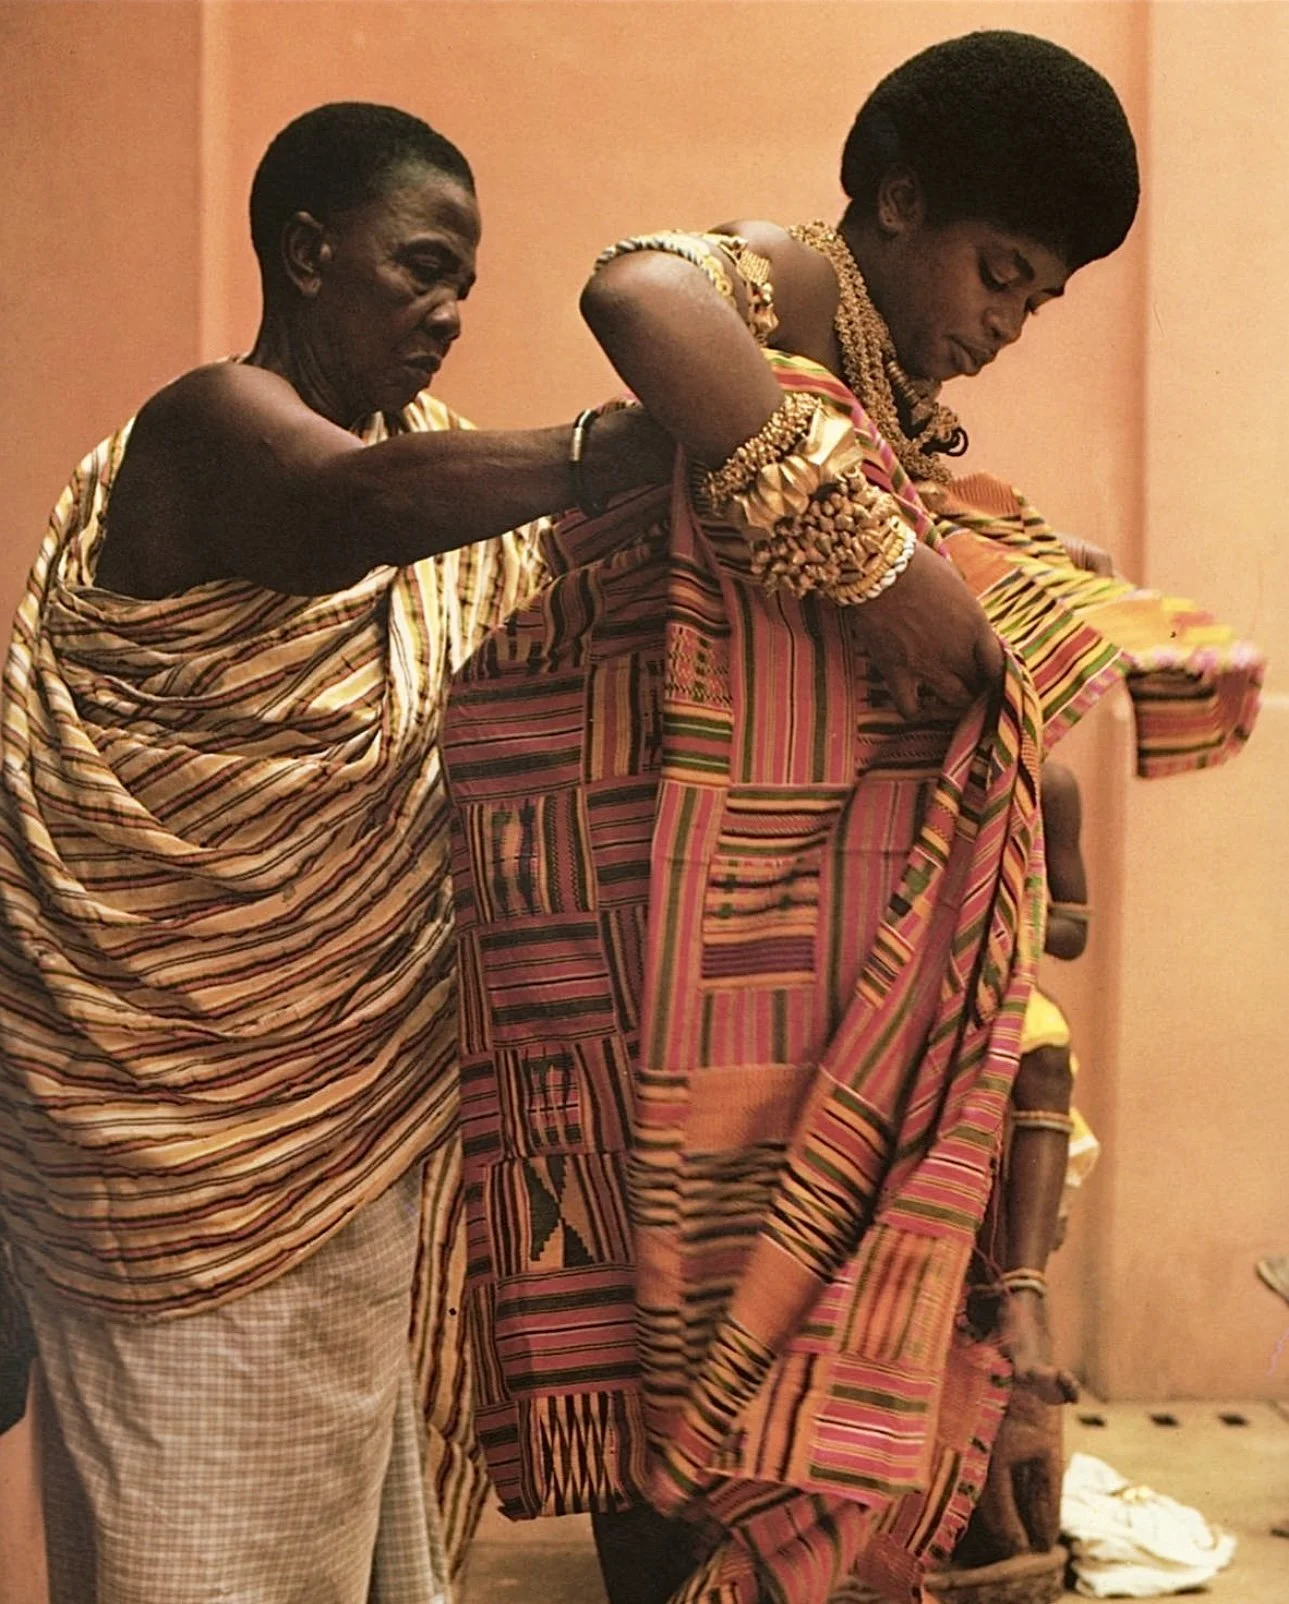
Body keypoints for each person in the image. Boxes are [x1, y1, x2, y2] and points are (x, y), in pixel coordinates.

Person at [438, 30, 1263, 1604]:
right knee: (673, 1364)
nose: (1009, 323)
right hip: (645, 952)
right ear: (895, 202)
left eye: (1040, 298)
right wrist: (882, 571)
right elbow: (634, 293)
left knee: (782, 1372)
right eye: (1000, 272)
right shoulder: (780, 291)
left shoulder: (894, 415)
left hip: (784, 976)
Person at [0, 101, 669, 1604]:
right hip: (169, 1143)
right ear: (306, 251)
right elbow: (335, 514)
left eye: (464, 289)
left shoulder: (432, 479)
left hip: (349, 1125)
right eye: (420, 269)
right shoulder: (212, 427)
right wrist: (620, 445)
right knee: (183, 1551)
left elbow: (551, 627)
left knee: (326, 1536)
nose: (446, 316)